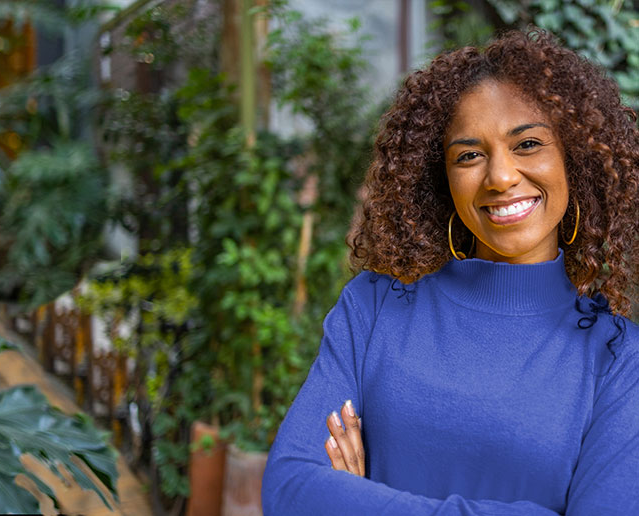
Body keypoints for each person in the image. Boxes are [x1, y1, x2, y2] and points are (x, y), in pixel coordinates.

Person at [262, 29, 639, 515]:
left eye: (527, 144)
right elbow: (289, 489)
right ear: (441, 179)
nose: (500, 176)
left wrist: (357, 501)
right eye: (469, 155)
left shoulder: (618, 360)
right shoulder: (374, 306)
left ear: (574, 160)